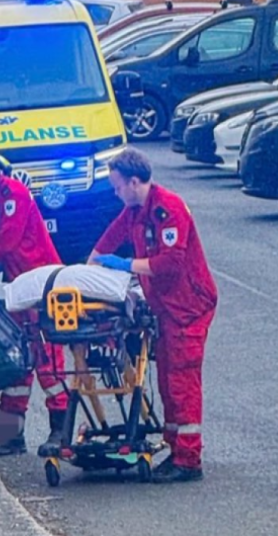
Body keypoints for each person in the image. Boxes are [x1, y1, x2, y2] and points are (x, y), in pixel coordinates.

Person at [88, 147, 218, 483]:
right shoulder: (136, 210)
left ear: (133, 182)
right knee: (166, 380)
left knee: (182, 378)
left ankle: (188, 460)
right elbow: (110, 238)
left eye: (117, 187)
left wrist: (125, 265)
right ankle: (176, 448)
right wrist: (90, 266)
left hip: (187, 305)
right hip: (167, 306)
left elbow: (170, 265)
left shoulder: (166, 209)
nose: (116, 194)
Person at [0, 143, 69, 457]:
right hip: (21, 286)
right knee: (16, 357)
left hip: (40, 285)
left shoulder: (13, 195)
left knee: (46, 358)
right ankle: (12, 433)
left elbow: (7, 240)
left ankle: (60, 429)